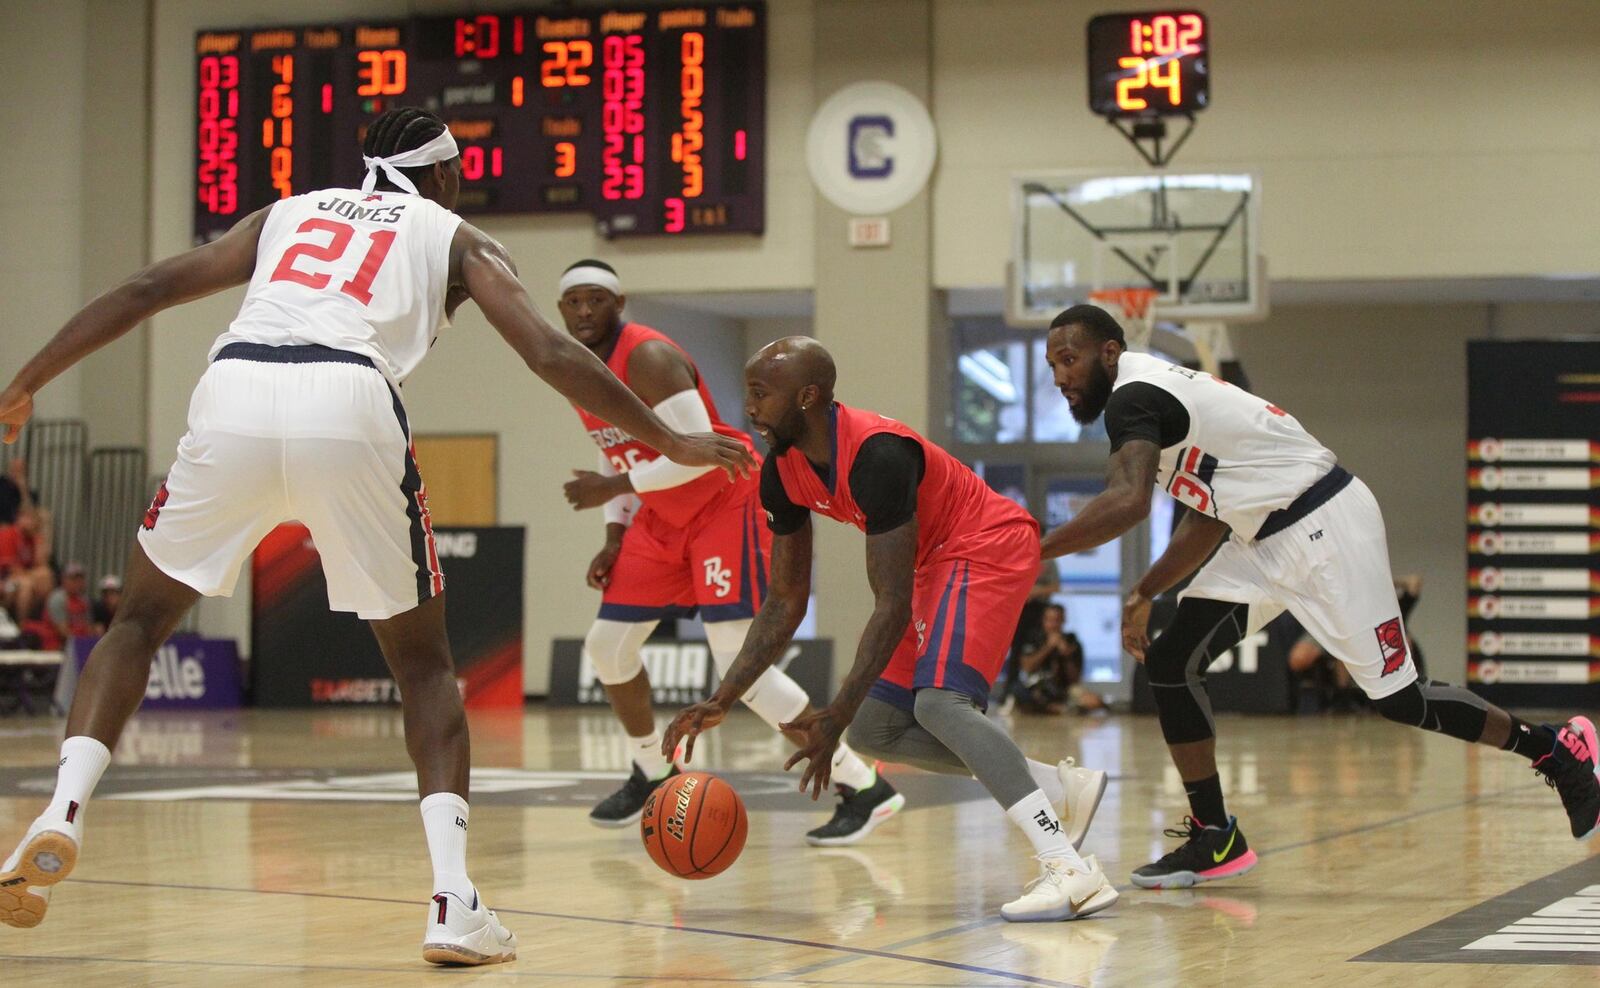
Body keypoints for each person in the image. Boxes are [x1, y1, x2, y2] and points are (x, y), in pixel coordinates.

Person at [0, 107, 751, 961]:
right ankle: (451, 902)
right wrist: (671, 438)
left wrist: (26, 382)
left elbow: (146, 291)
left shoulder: (284, 213)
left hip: (235, 385)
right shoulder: (459, 237)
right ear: (444, 177)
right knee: (426, 666)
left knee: (135, 621)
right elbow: (548, 351)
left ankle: (62, 808)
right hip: (349, 399)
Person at [1036, 303, 1600, 890]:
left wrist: (1032, 549)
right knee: (1174, 660)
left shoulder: (1135, 397)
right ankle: (1215, 834)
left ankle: (1556, 750)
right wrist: (1146, 589)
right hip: (1259, 538)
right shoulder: (1151, 396)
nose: (1060, 377)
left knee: (1401, 700)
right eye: (1052, 364)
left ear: (1108, 352)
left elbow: (1126, 501)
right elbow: (1208, 517)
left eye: (1069, 359)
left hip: (1324, 524)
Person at [663, 337, 1115, 922]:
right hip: (936, 563)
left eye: (759, 393)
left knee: (940, 705)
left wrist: (835, 710)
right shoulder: (781, 470)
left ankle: (1069, 868)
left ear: (807, 396)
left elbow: (892, 603)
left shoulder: (878, 455)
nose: (748, 408)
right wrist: (723, 698)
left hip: (986, 544)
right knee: (875, 732)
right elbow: (784, 600)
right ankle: (1054, 789)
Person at [558, 263, 902, 843]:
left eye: (597, 299)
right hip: (661, 511)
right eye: (572, 301)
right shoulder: (579, 369)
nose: (584, 311)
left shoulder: (649, 357)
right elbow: (611, 447)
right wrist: (615, 534)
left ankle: (863, 784)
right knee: (607, 645)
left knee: (741, 666)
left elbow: (699, 451)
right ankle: (652, 768)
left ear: (620, 303)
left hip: (724, 498)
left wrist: (615, 490)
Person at [1011, 603, 1104, 715]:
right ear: (1043, 620)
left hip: (1062, 689)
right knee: (1020, 691)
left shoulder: (1072, 642)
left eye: (1057, 620)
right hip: (1036, 687)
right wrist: (1048, 647)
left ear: (1063, 621)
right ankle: (1055, 708)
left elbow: (1075, 679)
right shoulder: (1034, 638)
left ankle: (1056, 708)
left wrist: (1067, 656)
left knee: (1093, 701)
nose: (1053, 625)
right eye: (1049, 620)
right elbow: (1027, 667)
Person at [0, 504, 54, 622]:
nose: (34, 523)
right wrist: (32, 578)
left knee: (46, 575)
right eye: (31, 519)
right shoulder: (7, 534)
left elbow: (42, 563)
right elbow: (10, 568)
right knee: (26, 585)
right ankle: (22, 626)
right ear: (20, 518)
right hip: (5, 579)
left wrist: (41, 536)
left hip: (19, 578)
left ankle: (41, 623)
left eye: (36, 521)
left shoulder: (32, 538)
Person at [39, 563, 96, 651]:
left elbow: (89, 628)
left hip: (78, 645)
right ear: (64, 580)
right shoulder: (58, 598)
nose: (78, 583)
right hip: (57, 647)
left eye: (80, 579)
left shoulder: (84, 601)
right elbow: (63, 632)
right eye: (73, 579)